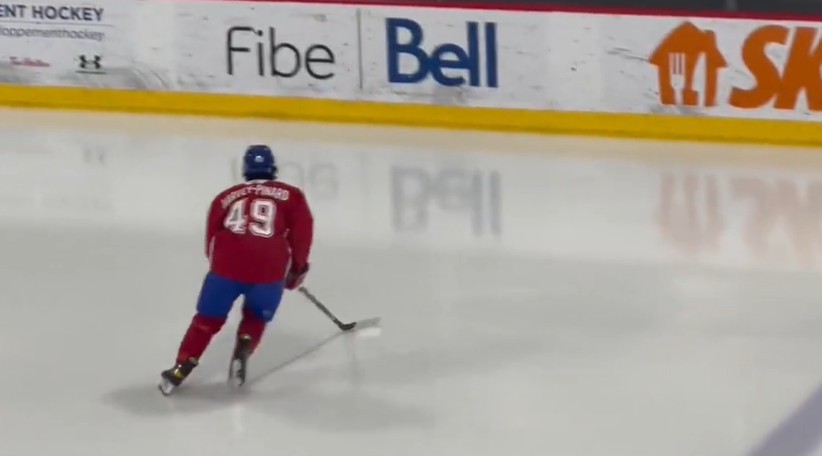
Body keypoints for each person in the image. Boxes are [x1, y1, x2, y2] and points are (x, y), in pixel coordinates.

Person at [159, 145, 313, 396]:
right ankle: (244, 346)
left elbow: (211, 240)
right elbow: (302, 236)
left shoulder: (225, 197)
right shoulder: (292, 196)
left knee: (206, 320)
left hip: (226, 267)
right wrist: (297, 269)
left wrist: (220, 267)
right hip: (269, 269)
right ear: (273, 168)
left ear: (245, 169)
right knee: (256, 316)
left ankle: (181, 367)